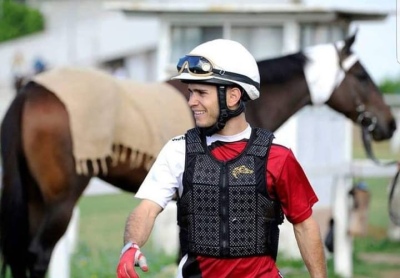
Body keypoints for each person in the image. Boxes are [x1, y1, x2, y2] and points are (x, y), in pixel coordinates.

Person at [116, 39, 327, 278]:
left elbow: (304, 225)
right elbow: (146, 209)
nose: (191, 102)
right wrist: (130, 245)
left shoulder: (278, 155)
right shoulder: (178, 151)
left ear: (233, 96)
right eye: (191, 92)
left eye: (201, 93)